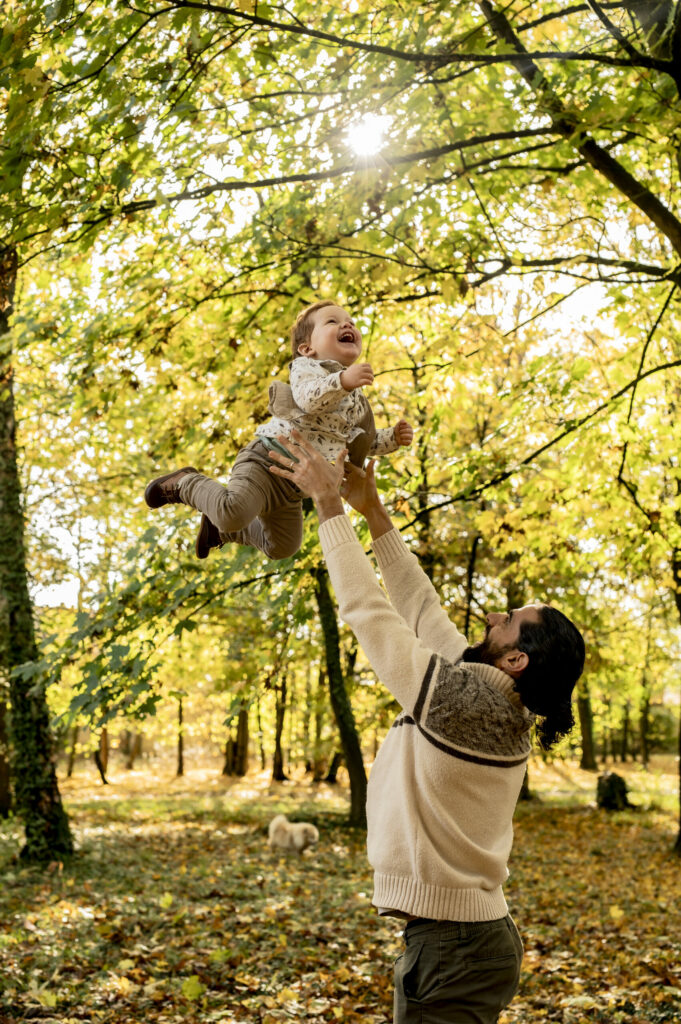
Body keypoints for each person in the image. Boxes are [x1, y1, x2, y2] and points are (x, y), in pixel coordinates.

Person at [268, 431, 586, 1024]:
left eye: (510, 621)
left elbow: (372, 615)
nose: (494, 615)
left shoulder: (465, 704)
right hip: (464, 944)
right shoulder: (487, 696)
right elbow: (422, 609)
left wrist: (328, 506)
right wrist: (372, 508)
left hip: (454, 949)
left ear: (516, 660)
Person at [144, 301, 413, 559]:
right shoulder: (306, 369)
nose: (347, 326)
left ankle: (221, 530)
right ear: (307, 348)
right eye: (333, 321)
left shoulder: (354, 396)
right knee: (232, 511)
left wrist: (392, 438)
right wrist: (342, 380)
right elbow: (309, 398)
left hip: (294, 486)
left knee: (283, 548)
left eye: (351, 323)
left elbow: (358, 441)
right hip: (266, 460)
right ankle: (184, 483)